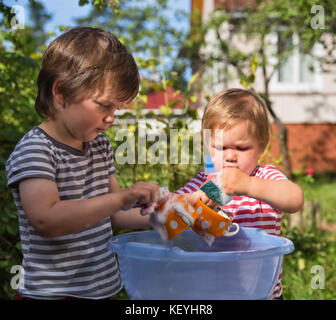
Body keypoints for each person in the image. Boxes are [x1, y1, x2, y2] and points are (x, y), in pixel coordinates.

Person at [5, 26, 200, 300]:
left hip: (100, 291)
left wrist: (163, 212)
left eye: (116, 108)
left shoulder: (99, 145)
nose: (111, 118)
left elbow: (115, 214)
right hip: (51, 294)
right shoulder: (36, 149)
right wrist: (121, 198)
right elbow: (46, 220)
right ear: (61, 93)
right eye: (104, 105)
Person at [176, 88, 304, 299]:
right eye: (220, 147)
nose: (230, 157)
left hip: (263, 293)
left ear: (261, 145)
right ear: (207, 144)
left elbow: (295, 199)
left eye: (242, 148)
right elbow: (171, 211)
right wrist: (190, 201)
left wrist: (249, 185)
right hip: (213, 293)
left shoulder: (263, 178)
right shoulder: (202, 183)